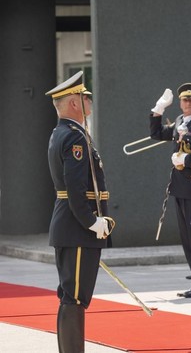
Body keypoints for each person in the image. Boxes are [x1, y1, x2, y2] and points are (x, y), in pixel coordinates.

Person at [46, 71, 113, 352]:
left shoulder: (65, 133)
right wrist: (91, 222)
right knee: (74, 297)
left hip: (71, 227)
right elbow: (74, 188)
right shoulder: (74, 138)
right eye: (86, 97)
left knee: (71, 296)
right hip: (77, 228)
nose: (90, 102)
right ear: (74, 103)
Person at [150, 83, 191, 298]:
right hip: (179, 186)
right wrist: (158, 109)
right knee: (186, 239)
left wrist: (186, 160)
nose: (188, 103)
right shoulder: (180, 122)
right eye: (185, 100)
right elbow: (156, 133)